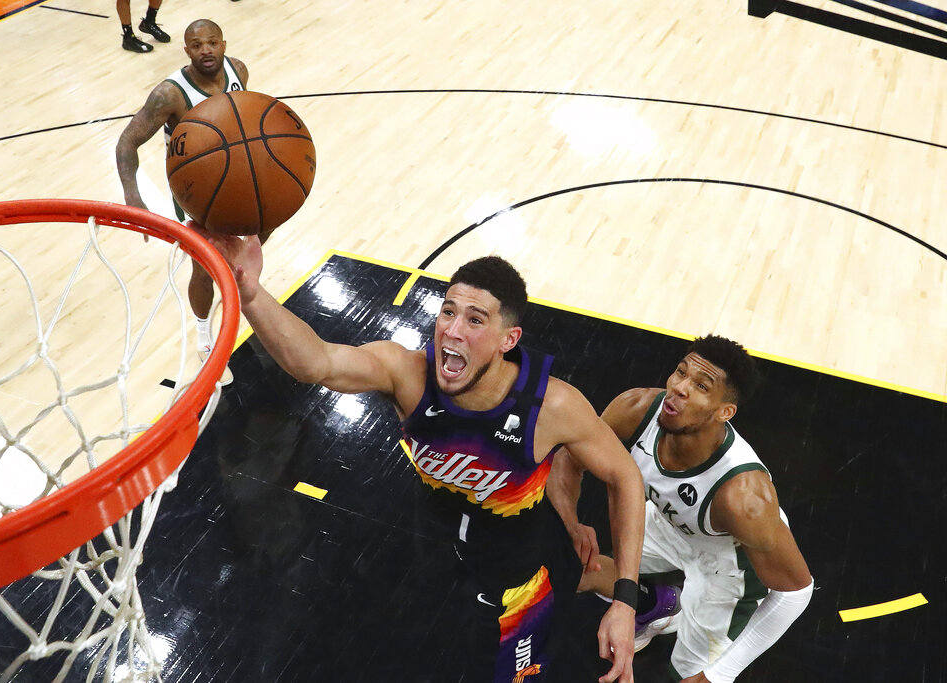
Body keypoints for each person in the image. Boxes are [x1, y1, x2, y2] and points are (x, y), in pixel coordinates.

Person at [200, 236, 646, 683]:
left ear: (508, 339)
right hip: (443, 543)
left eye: (475, 319)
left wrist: (624, 603)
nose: (452, 330)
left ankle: (647, 599)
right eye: (448, 311)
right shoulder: (408, 374)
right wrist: (250, 291)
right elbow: (317, 362)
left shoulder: (552, 406)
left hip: (521, 573)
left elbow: (625, 476)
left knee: (563, 598)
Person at [549, 335, 813, 683]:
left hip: (729, 567)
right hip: (670, 524)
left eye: (701, 386)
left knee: (688, 677)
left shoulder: (745, 500)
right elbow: (569, 457)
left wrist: (719, 675)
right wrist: (570, 524)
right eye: (680, 372)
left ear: (725, 412)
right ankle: (652, 605)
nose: (679, 388)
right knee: (567, 560)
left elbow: (795, 593)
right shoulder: (635, 409)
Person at [116, 19, 248, 380]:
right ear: (186, 50)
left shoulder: (239, 70)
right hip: (194, 191)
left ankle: (243, 301)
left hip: (235, 177)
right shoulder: (169, 95)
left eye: (211, 43)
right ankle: (205, 338)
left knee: (251, 242)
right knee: (204, 268)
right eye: (196, 45)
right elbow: (127, 142)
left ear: (223, 43)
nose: (205, 50)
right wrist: (133, 195)